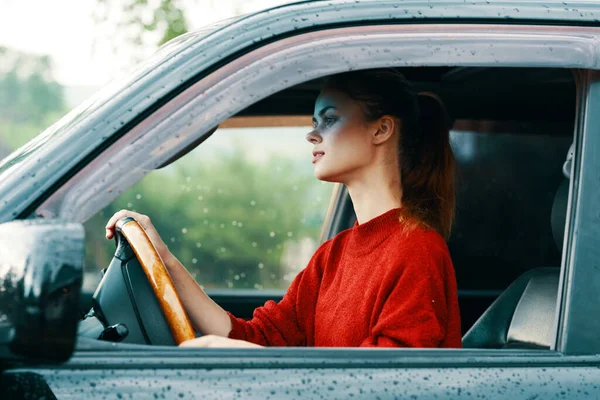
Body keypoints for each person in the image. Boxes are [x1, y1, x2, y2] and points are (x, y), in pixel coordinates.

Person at [105, 68, 462, 348]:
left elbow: (389, 383)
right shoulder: (333, 256)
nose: (312, 135)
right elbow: (257, 337)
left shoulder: (417, 250)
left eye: (330, 118)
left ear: (381, 129)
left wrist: (254, 359)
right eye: (314, 122)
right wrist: (163, 259)